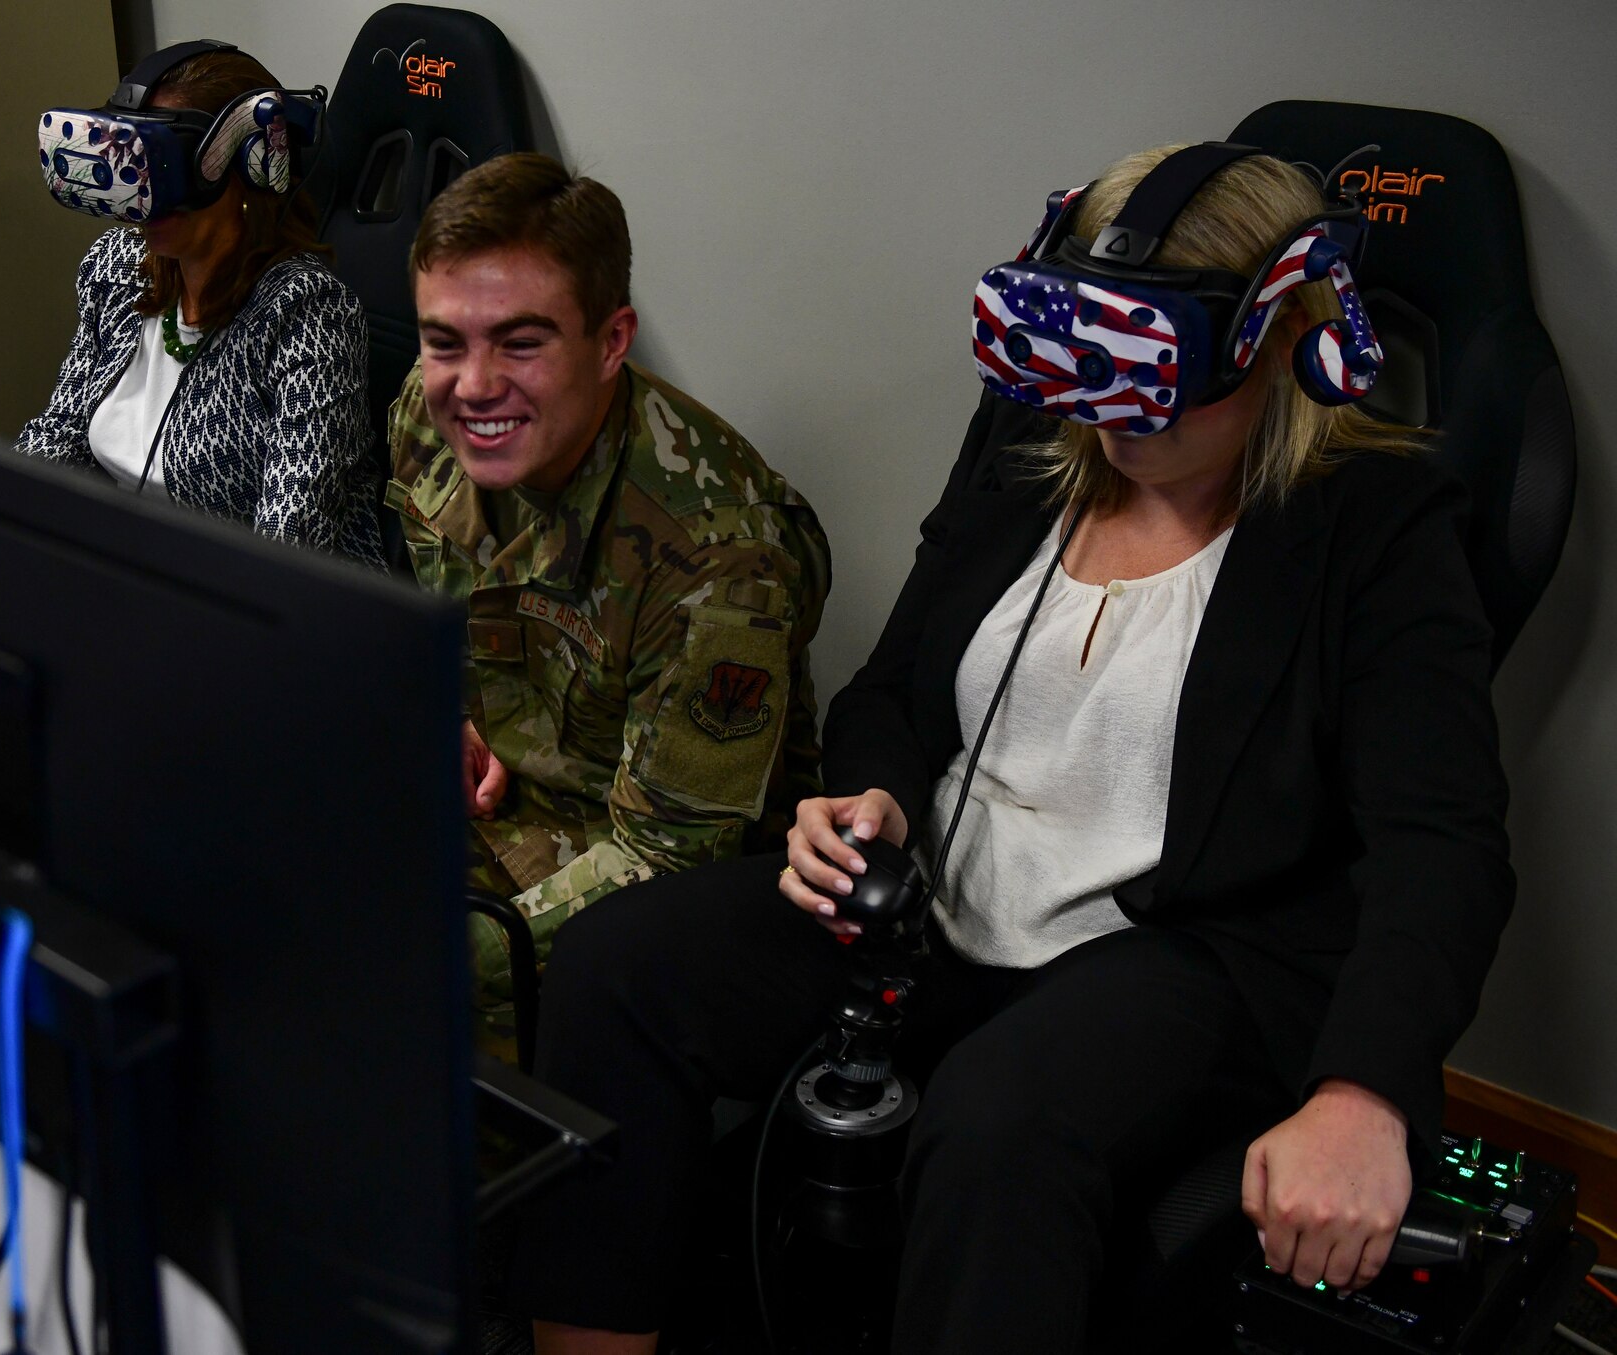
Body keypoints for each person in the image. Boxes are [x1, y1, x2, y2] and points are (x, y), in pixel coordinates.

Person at [506, 145, 1513, 1353]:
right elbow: (891, 687)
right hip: (941, 899)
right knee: (619, 965)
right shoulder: (1029, 448)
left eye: (1148, 363)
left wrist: (1362, 1093)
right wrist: (864, 792)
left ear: (1283, 335)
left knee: (997, 1123)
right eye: (1080, 354)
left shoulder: (1376, 530)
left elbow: (1441, 845)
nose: (1100, 405)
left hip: (1181, 954)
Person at [386, 154, 832, 1048]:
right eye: (445, 341)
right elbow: (443, 620)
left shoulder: (719, 554)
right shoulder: (426, 418)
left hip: (639, 896)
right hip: (496, 806)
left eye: (521, 342)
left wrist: (417, 949)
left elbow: (666, 857)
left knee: (390, 1020)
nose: (471, 386)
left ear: (611, 340)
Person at [16, 45, 384, 568]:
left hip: (255, 607)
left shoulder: (309, 313)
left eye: (167, 168)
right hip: (125, 573)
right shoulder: (117, 265)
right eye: (136, 169)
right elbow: (62, 431)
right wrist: (0, 525)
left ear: (253, 163)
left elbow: (289, 543)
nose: (145, 197)